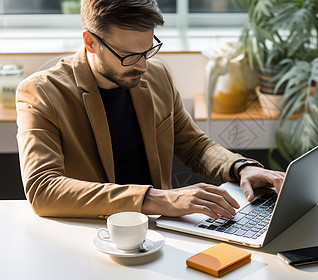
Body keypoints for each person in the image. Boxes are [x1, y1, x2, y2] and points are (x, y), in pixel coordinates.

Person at [16, 0, 284, 219]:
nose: (143, 66)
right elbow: (43, 188)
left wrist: (240, 167)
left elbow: (194, 145)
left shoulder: (157, 75)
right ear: (90, 42)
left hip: (162, 232)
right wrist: (155, 198)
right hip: (96, 238)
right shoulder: (41, 93)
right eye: (129, 56)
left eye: (147, 50)